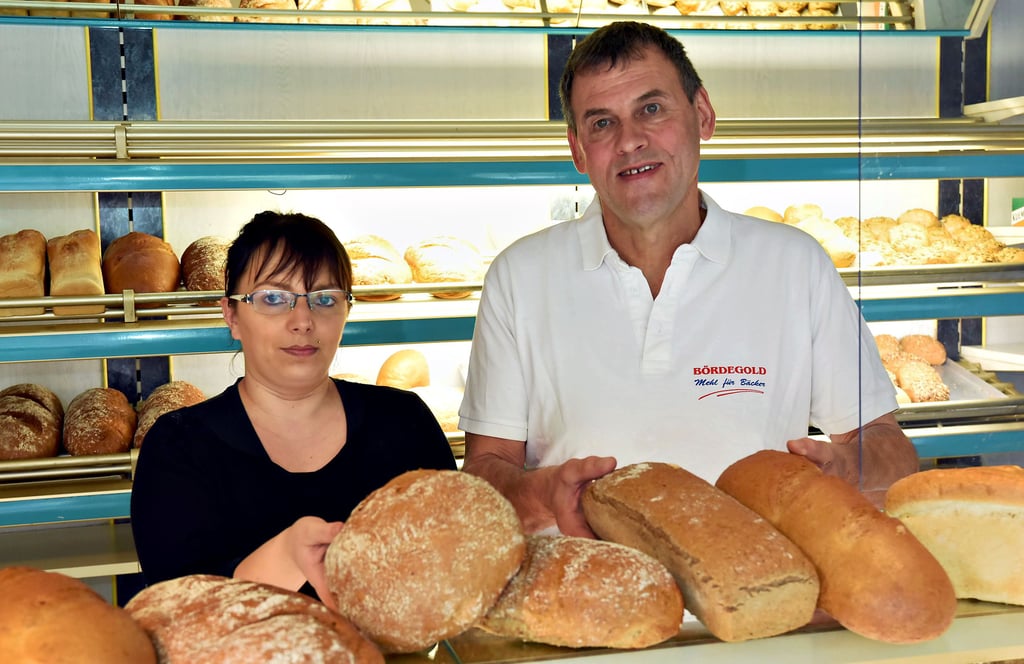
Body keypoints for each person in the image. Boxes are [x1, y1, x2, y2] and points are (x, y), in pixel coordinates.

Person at [458, 21, 918, 538]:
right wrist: (538, 493)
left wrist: (846, 469)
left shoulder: (795, 265)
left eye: (651, 109)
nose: (630, 140)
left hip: (757, 594)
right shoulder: (519, 278)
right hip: (583, 595)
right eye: (601, 123)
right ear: (578, 151)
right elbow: (484, 473)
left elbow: (888, 447)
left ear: (702, 114)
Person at [131, 211, 457, 607]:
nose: (302, 320)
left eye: (324, 299)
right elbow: (177, 609)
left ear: (346, 311)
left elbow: (452, 566)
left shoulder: (405, 422)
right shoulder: (179, 445)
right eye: (273, 298)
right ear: (232, 315)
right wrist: (285, 558)